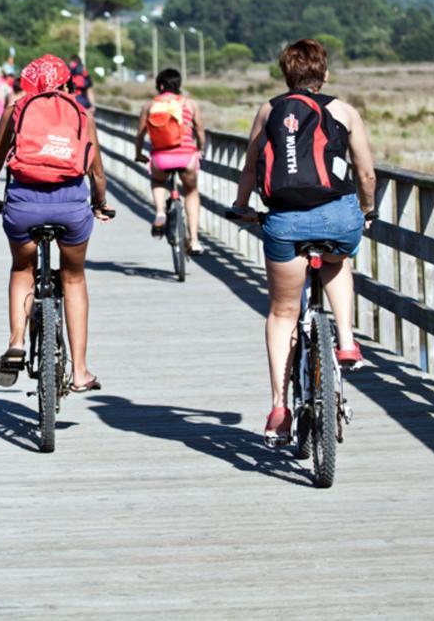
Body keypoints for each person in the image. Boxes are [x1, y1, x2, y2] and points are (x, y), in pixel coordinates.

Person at [228, 39, 377, 445]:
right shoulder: (344, 110)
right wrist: (366, 211)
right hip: (338, 217)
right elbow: (365, 173)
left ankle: (279, 406)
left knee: (281, 313)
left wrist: (242, 205)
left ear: (286, 75)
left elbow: (250, 167)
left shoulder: (269, 110)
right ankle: (346, 343)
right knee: (338, 259)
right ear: (324, 74)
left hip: (285, 223)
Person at [0, 54, 114, 393]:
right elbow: (96, 172)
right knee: (74, 278)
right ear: (68, 83)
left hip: (24, 205)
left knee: (22, 269)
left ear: (29, 84)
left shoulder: (18, 109)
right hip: (71, 207)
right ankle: (80, 371)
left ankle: (17, 341)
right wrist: (100, 203)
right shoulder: (81, 113)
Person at [133, 67, 206, 254]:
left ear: (160, 85)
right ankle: (195, 240)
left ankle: (159, 212)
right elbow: (200, 131)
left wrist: (139, 153)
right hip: (186, 157)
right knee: (191, 191)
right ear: (179, 85)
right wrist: (200, 149)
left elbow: (140, 134)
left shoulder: (149, 106)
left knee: (158, 181)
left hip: (161, 158)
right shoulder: (190, 104)